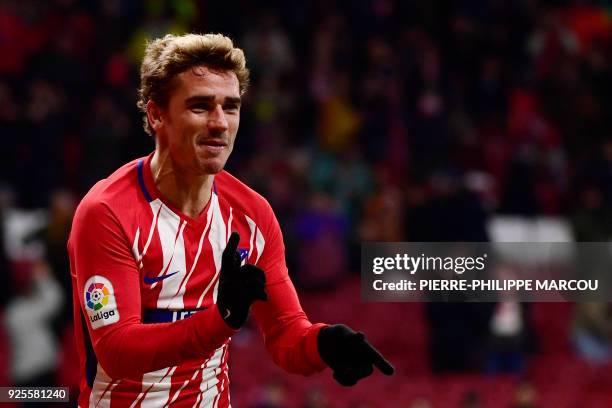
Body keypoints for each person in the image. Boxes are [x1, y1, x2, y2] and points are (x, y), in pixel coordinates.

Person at [68, 33, 393, 407]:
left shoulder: (251, 215)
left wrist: (323, 344)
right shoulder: (107, 213)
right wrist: (221, 320)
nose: (220, 123)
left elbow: (286, 334)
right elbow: (118, 351)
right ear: (157, 114)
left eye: (231, 107)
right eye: (201, 106)